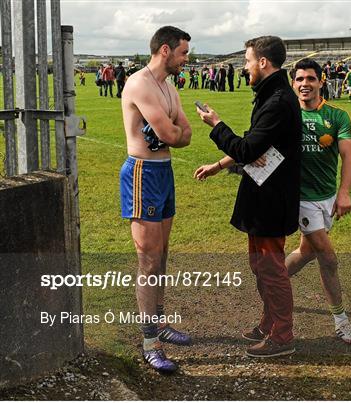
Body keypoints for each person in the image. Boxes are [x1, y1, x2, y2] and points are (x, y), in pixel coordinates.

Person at [194, 35, 301, 358]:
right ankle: (269, 323)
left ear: (263, 63)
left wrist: (216, 124)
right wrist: (220, 165)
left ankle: (283, 336)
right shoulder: (271, 96)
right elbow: (253, 147)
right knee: (260, 265)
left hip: (271, 199)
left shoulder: (279, 100)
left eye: (247, 61)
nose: (245, 67)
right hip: (262, 195)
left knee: (271, 268)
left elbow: (247, 148)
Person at [119, 26, 193, 373]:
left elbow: (186, 134)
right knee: (148, 261)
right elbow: (169, 133)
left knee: (162, 254)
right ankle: (150, 342)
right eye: (183, 53)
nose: (186, 59)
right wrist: (172, 131)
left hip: (164, 172)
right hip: (142, 173)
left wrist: (174, 131)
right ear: (166, 50)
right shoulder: (140, 83)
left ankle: (160, 324)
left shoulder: (169, 86)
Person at [287, 58, 351, 345]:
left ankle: (271, 283)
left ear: (321, 82)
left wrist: (343, 192)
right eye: (299, 79)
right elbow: (257, 143)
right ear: (293, 84)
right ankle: (341, 321)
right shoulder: (287, 115)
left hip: (327, 197)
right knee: (328, 259)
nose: (304, 84)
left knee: (306, 252)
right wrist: (222, 164)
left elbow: (349, 155)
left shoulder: (338, 116)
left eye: (310, 78)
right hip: (300, 199)